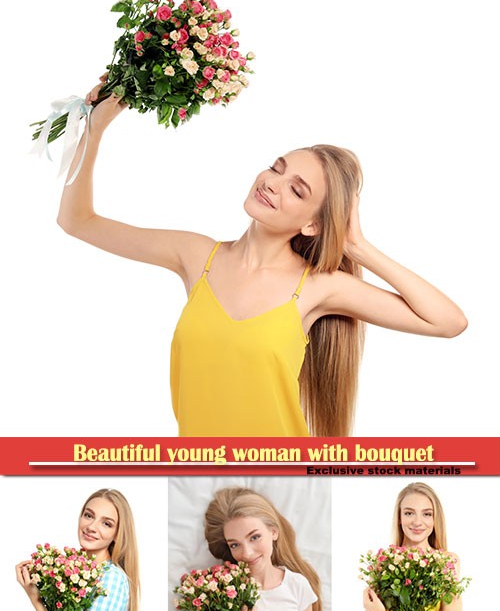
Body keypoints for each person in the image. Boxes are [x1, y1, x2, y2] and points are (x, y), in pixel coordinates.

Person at [58, 104, 467, 438]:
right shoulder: (196, 255)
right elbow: (77, 221)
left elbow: (449, 322)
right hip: (198, 474)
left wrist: (359, 249)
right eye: (277, 168)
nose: (273, 183)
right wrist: (94, 129)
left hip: (282, 476)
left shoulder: (318, 287)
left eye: (297, 189)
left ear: (313, 224)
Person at [187, 487, 321, 611]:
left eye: (254, 537)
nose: (247, 553)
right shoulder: (220, 591)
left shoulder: (297, 585)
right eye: (235, 545)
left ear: (273, 532)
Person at [15, 491, 139, 611]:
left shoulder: (111, 580)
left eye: (106, 523)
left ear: (117, 534)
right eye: (89, 515)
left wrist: (36, 599)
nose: (91, 527)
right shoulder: (73, 570)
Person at [363, 486, 464, 611]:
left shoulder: (447, 561)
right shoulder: (383, 563)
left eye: (427, 514)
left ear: (435, 520)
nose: (417, 522)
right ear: (399, 518)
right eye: (409, 513)